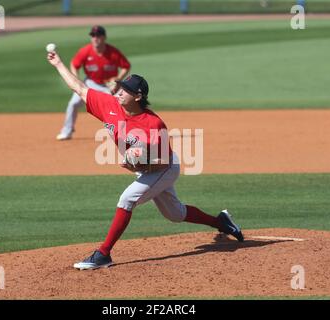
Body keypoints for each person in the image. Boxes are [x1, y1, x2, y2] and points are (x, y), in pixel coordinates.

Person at [47, 50, 244, 270]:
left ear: (138, 96)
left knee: (127, 199)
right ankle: (221, 222)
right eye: (121, 88)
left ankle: (103, 254)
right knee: (175, 214)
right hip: (149, 168)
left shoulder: (153, 124)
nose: (120, 92)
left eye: (126, 90)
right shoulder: (110, 105)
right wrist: (59, 64)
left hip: (164, 167)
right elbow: (80, 88)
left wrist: (138, 164)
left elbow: (160, 161)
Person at [56, 25, 131, 141]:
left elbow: (126, 66)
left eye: (98, 35)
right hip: (90, 83)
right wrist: (76, 79)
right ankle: (67, 131)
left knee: (120, 106)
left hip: (108, 86)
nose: (95, 38)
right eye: (93, 35)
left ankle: (127, 132)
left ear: (104, 37)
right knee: (73, 104)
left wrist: (117, 79)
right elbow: (74, 64)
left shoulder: (113, 53)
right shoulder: (85, 51)